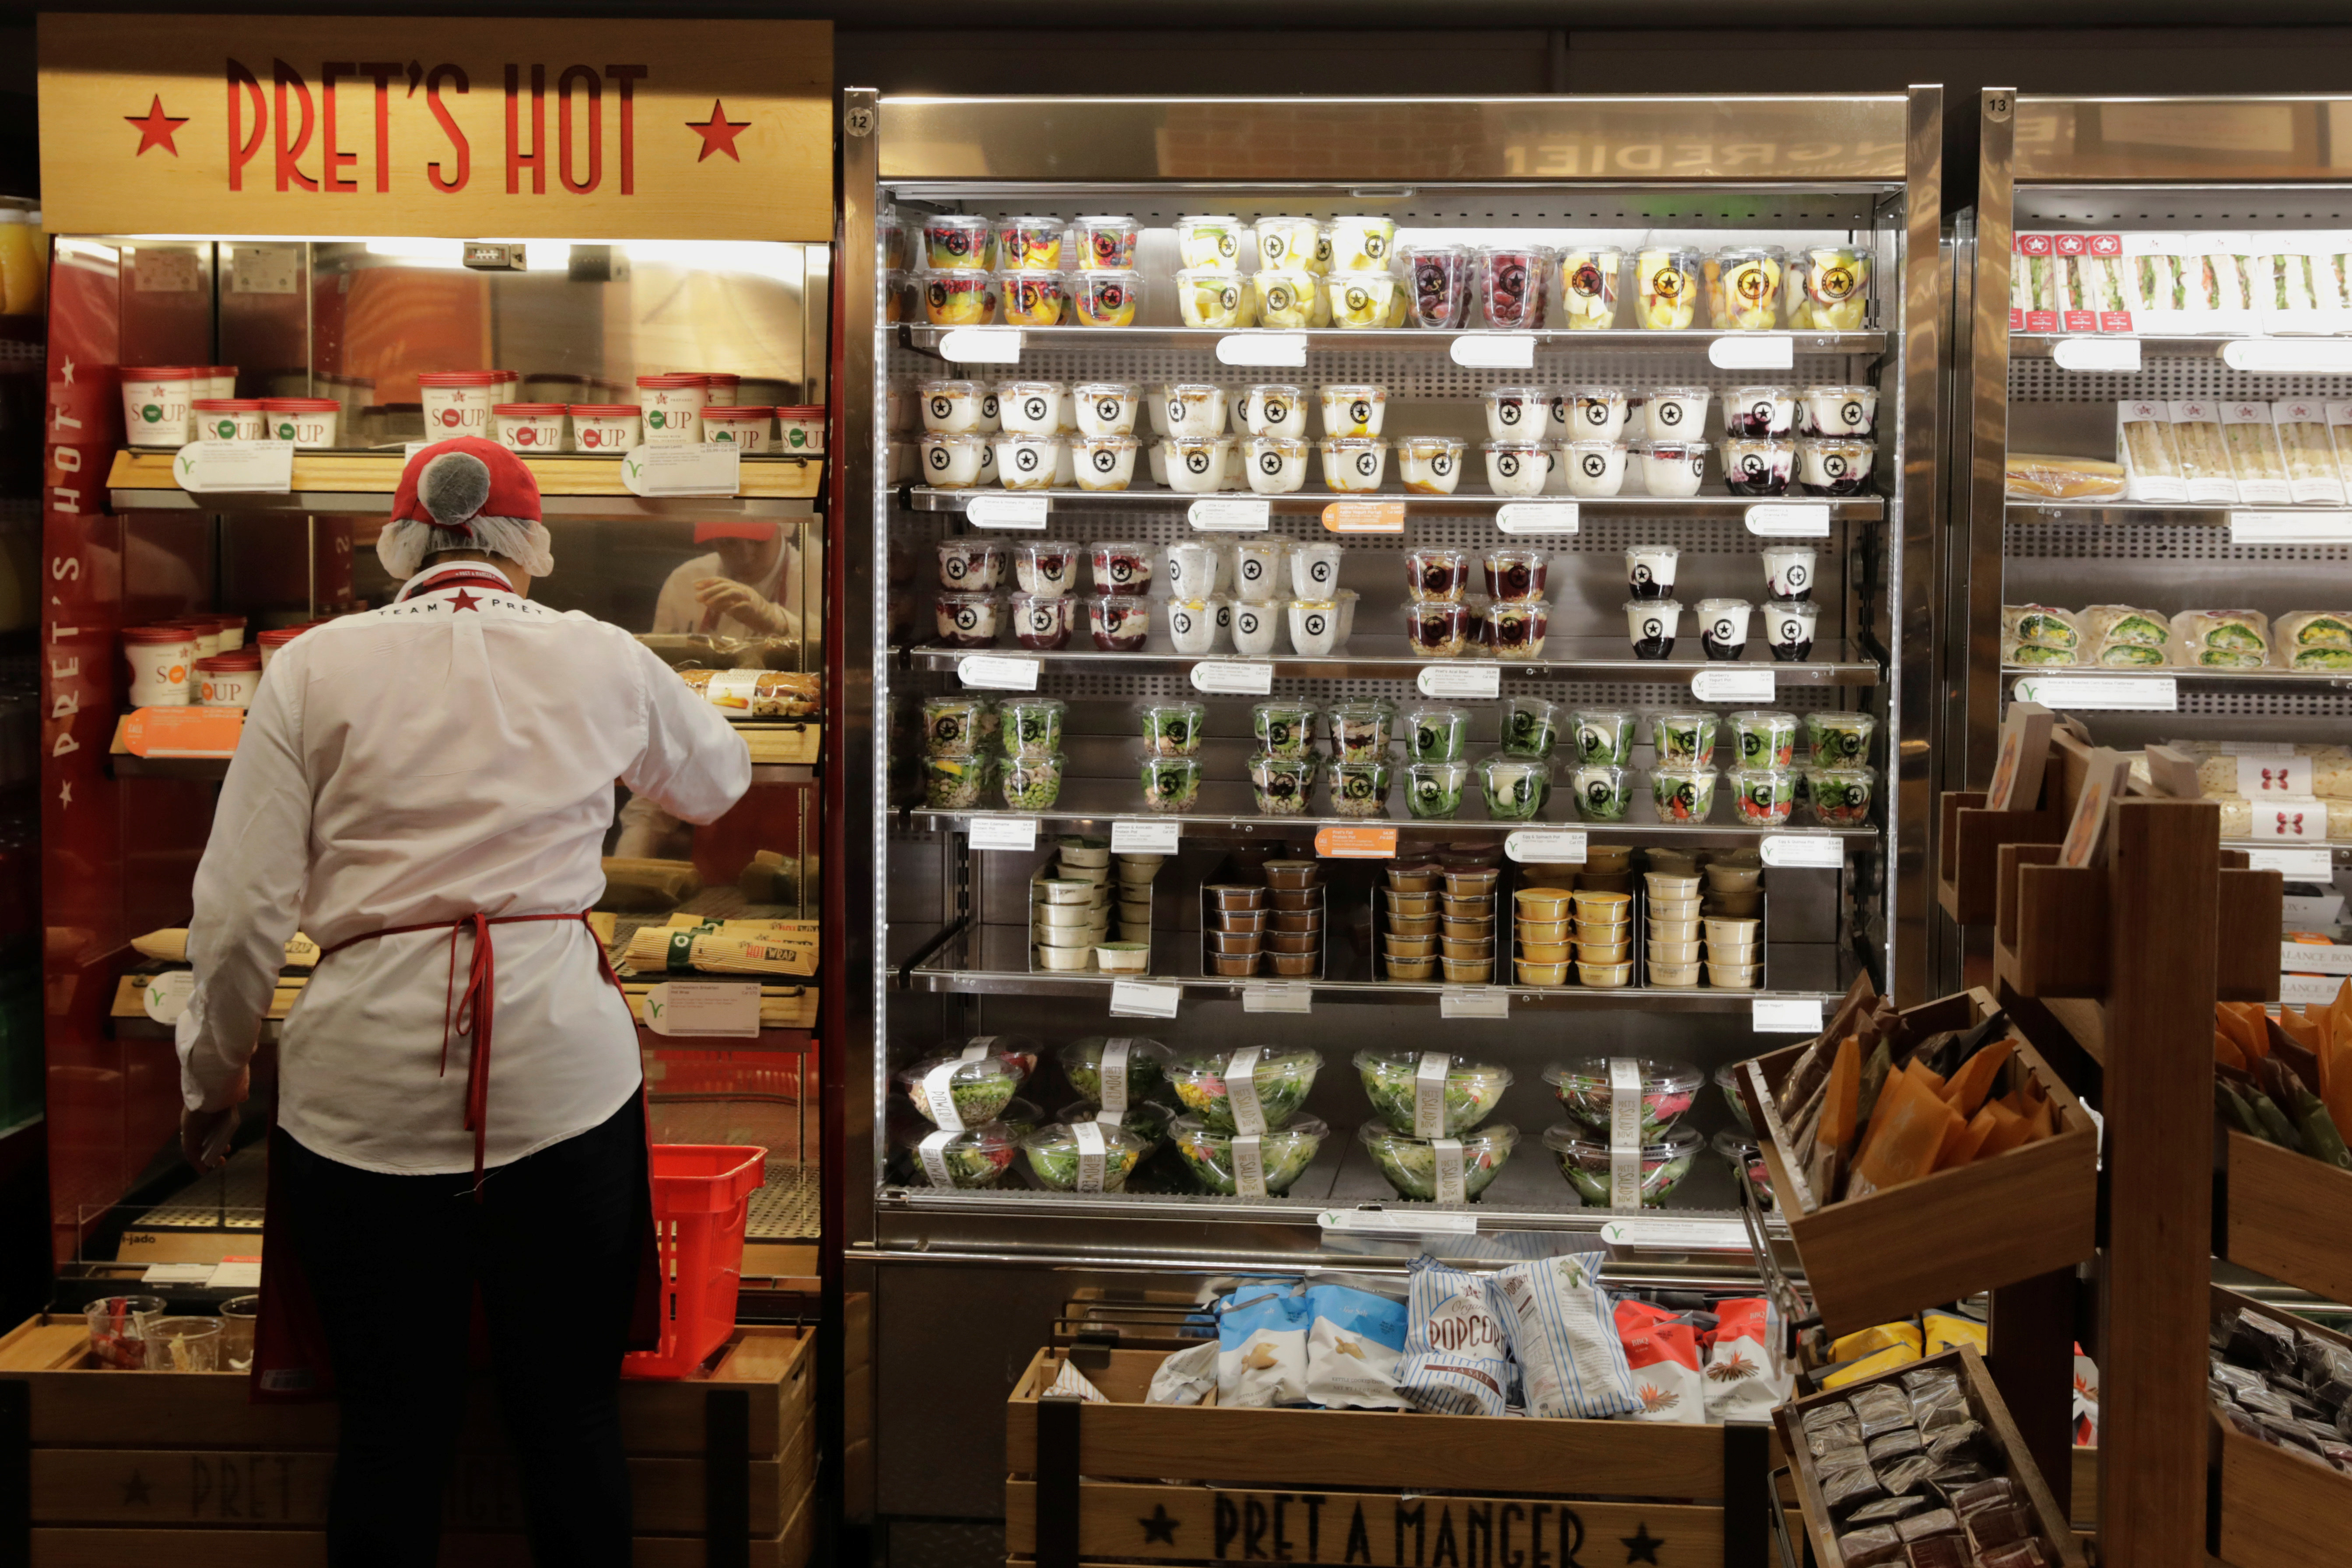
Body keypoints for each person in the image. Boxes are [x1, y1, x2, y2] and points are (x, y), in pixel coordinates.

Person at [174, 436, 751, 1568]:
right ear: (528, 545)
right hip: (562, 1081)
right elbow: (717, 778)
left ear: (401, 545)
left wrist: (217, 1071)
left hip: (356, 1093)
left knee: (389, 1430)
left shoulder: (311, 665)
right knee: (572, 1418)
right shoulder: (598, 651)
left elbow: (239, 905)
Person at [649, 519, 807, 641]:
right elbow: (662, 661)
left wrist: (779, 622)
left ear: (784, 530)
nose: (745, 557)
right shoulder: (685, 580)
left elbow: (826, 651)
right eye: (728, 543)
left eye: (758, 542)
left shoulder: (816, 575)